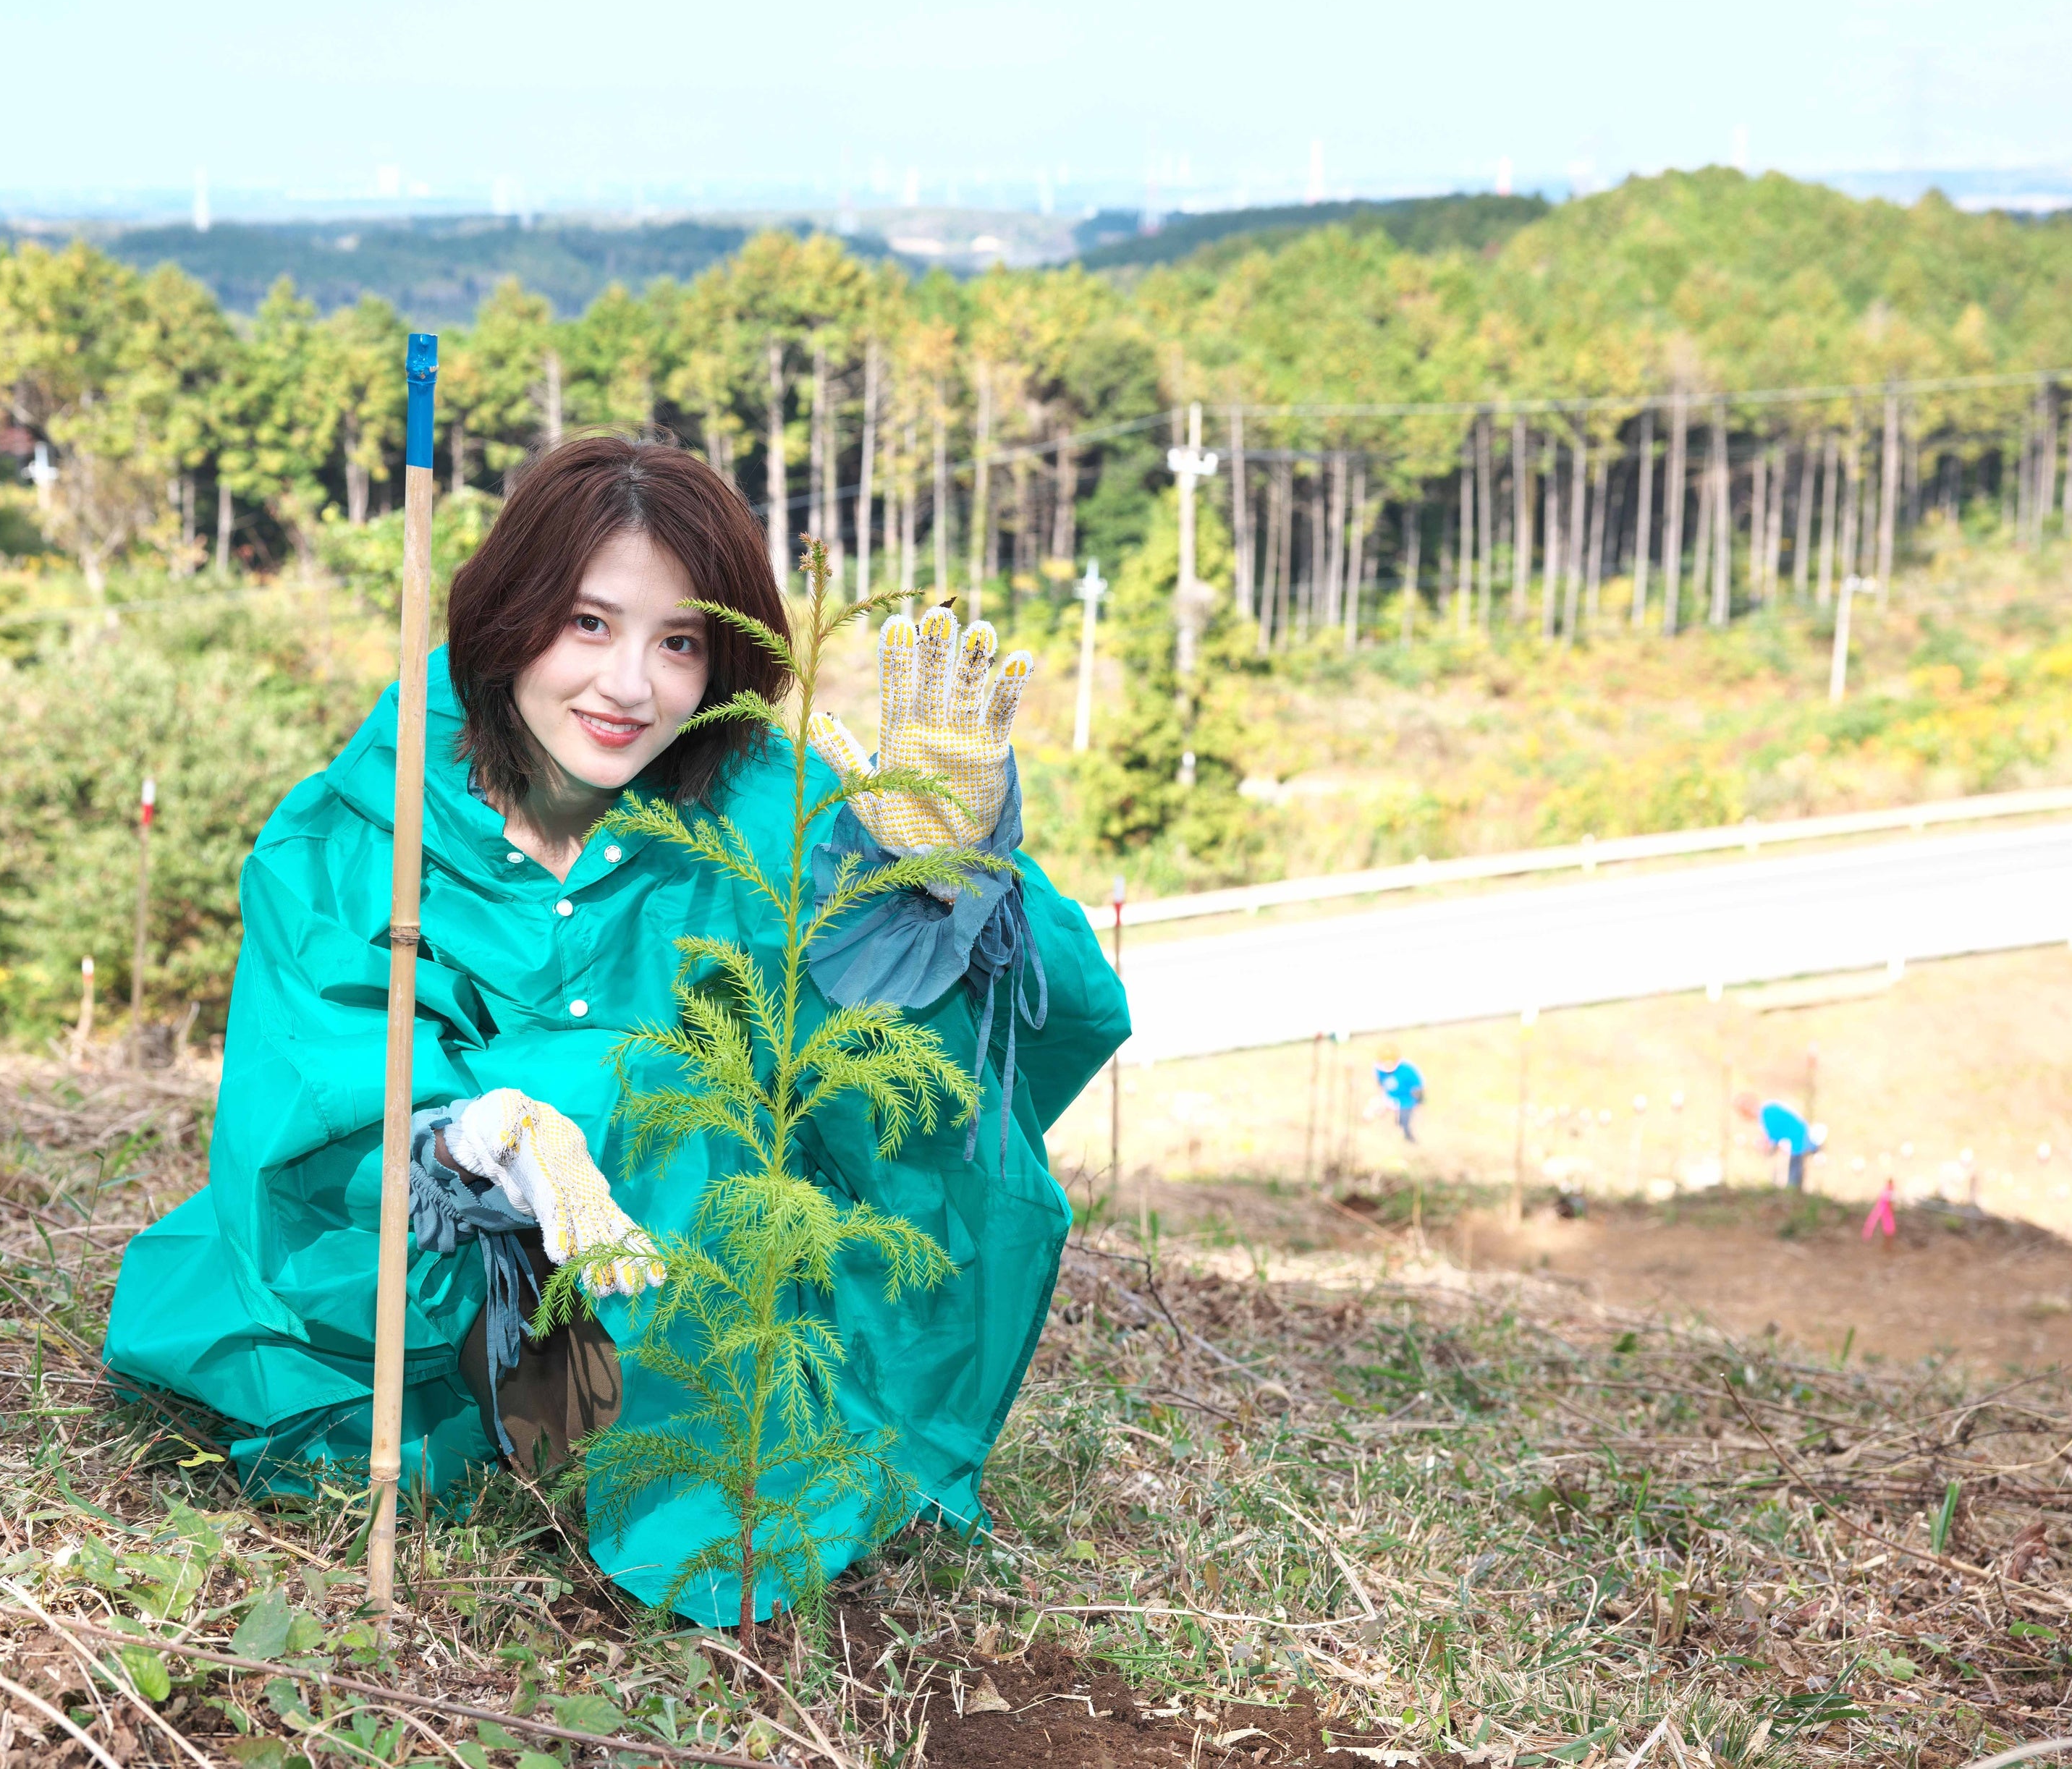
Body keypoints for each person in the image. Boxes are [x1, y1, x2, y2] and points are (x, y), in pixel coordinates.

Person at [103, 436, 1128, 1625]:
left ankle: (715, 1526)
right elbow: (314, 1054)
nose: (630, 686)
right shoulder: (366, 820)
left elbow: (1021, 1022)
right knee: (320, 1360)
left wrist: (946, 874)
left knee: (748, 1106)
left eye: (679, 642)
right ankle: (530, 1412)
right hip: (443, 1273)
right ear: (509, 612)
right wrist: (473, 1138)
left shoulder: (756, 802)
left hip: (695, 1287)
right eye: (589, 624)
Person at [1737, 1091, 1819, 1189]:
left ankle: (1792, 1195)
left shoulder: (1767, 1112)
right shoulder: (1768, 1111)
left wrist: (1765, 1145)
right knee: (1789, 1173)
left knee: (1793, 1177)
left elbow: (1773, 1138)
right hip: (1795, 1144)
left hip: (1797, 1144)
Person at [1372, 1044, 1424, 1144]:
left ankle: (1409, 1138)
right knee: (1377, 1109)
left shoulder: (1408, 1070)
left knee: (1405, 1120)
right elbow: (1380, 1084)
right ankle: (1392, 1132)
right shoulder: (1378, 1069)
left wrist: (1419, 1102)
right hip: (1391, 1097)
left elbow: (1418, 1087)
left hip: (1407, 1099)